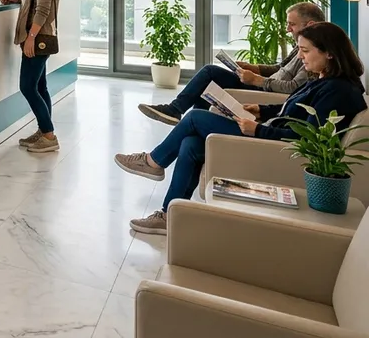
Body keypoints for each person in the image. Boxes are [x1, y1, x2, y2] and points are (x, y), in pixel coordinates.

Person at [114, 21, 365, 235]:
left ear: (329, 53)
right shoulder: (326, 80)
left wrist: (257, 130)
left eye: (305, 51)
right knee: (190, 144)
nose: (301, 56)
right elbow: (295, 110)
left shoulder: (337, 91)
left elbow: (307, 138)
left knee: (194, 119)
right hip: (268, 133)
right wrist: (262, 110)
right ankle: (169, 215)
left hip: (272, 146)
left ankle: (154, 162)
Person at [138, 2, 324, 125]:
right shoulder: (302, 45)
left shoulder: (315, 54)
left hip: (266, 92)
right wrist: (253, 68)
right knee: (207, 86)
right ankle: (191, 121)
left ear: (309, 24)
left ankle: (177, 111)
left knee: (210, 73)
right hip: (264, 85)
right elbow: (279, 69)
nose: (287, 29)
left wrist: (257, 80)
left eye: (292, 24)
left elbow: (293, 88)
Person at [0, 0, 63, 153]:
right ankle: (44, 131)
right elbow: (33, 0)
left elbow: (42, 10)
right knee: (40, 86)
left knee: (27, 87)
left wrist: (31, 38)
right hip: (37, 38)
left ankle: (49, 135)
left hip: (39, 39)